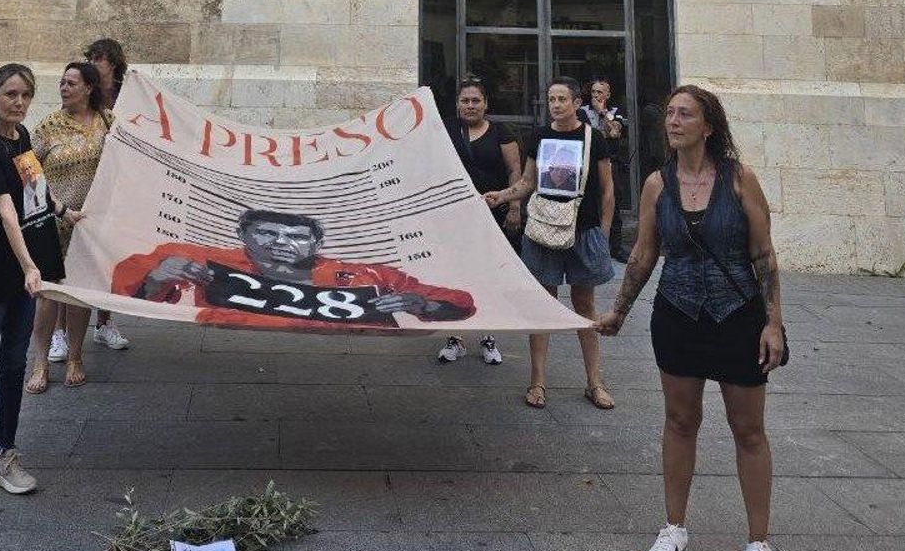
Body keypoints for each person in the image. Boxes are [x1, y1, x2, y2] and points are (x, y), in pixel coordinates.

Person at [595, 85, 787, 551]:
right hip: (677, 314)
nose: (673, 121)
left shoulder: (740, 180)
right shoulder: (658, 184)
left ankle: (759, 545)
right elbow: (642, 256)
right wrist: (618, 312)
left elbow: (764, 256)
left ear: (709, 126)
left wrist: (773, 323)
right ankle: (674, 528)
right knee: (680, 421)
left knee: (748, 430)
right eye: (670, 113)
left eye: (685, 114)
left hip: (738, 316)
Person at [0, 63, 84, 516]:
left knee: (12, 367)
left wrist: (65, 212)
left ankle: (2, 458)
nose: (18, 102)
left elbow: (34, 188)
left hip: (25, 274)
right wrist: (30, 266)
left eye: (25, 94)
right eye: (10, 94)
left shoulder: (21, 137)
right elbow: (7, 213)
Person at [111, 209, 476, 331]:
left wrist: (421, 304)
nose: (282, 242)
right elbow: (123, 288)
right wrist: (159, 275)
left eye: (298, 236)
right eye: (268, 232)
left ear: (317, 245)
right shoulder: (201, 257)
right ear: (243, 235)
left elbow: (459, 301)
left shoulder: (367, 274)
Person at [483, 76, 616, 410]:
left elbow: (608, 188)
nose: (555, 105)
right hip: (542, 229)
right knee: (543, 305)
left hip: (582, 231)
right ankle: (538, 382)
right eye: (551, 99)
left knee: (585, 306)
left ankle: (594, 382)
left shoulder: (593, 137)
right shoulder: (539, 136)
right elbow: (528, 181)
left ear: (575, 102)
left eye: (561, 99)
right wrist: (502, 195)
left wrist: (604, 231)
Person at [25, 62, 114, 393]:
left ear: (88, 88)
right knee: (48, 296)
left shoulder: (108, 122)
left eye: (71, 83)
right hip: (53, 223)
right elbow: (27, 172)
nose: (63, 88)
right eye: (62, 82)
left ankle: (76, 358)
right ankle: (41, 362)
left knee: (79, 294)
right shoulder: (49, 125)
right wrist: (57, 209)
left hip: (90, 225)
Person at [438, 79, 523, 365]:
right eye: (465, 100)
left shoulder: (501, 132)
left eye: (476, 100)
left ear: (486, 103)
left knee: (488, 276)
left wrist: (514, 206)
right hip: (454, 216)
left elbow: (515, 172)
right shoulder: (446, 129)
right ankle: (456, 338)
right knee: (456, 275)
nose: (470, 105)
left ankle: (488, 336)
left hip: (492, 216)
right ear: (457, 104)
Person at [81, 38, 131, 351]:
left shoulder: (130, 94)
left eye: (97, 57)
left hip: (118, 181)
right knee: (76, 254)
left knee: (110, 255)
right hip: (86, 178)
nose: (93, 62)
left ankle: (105, 322)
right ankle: (61, 330)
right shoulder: (86, 91)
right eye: (90, 57)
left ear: (111, 61)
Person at [581, 78, 630, 262]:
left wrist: (603, 114)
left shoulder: (616, 111)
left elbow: (615, 133)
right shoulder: (582, 111)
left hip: (611, 163)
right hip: (589, 163)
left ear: (608, 95)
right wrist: (605, 131)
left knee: (613, 202)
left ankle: (615, 247)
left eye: (600, 92)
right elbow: (588, 135)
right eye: (593, 92)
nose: (596, 96)